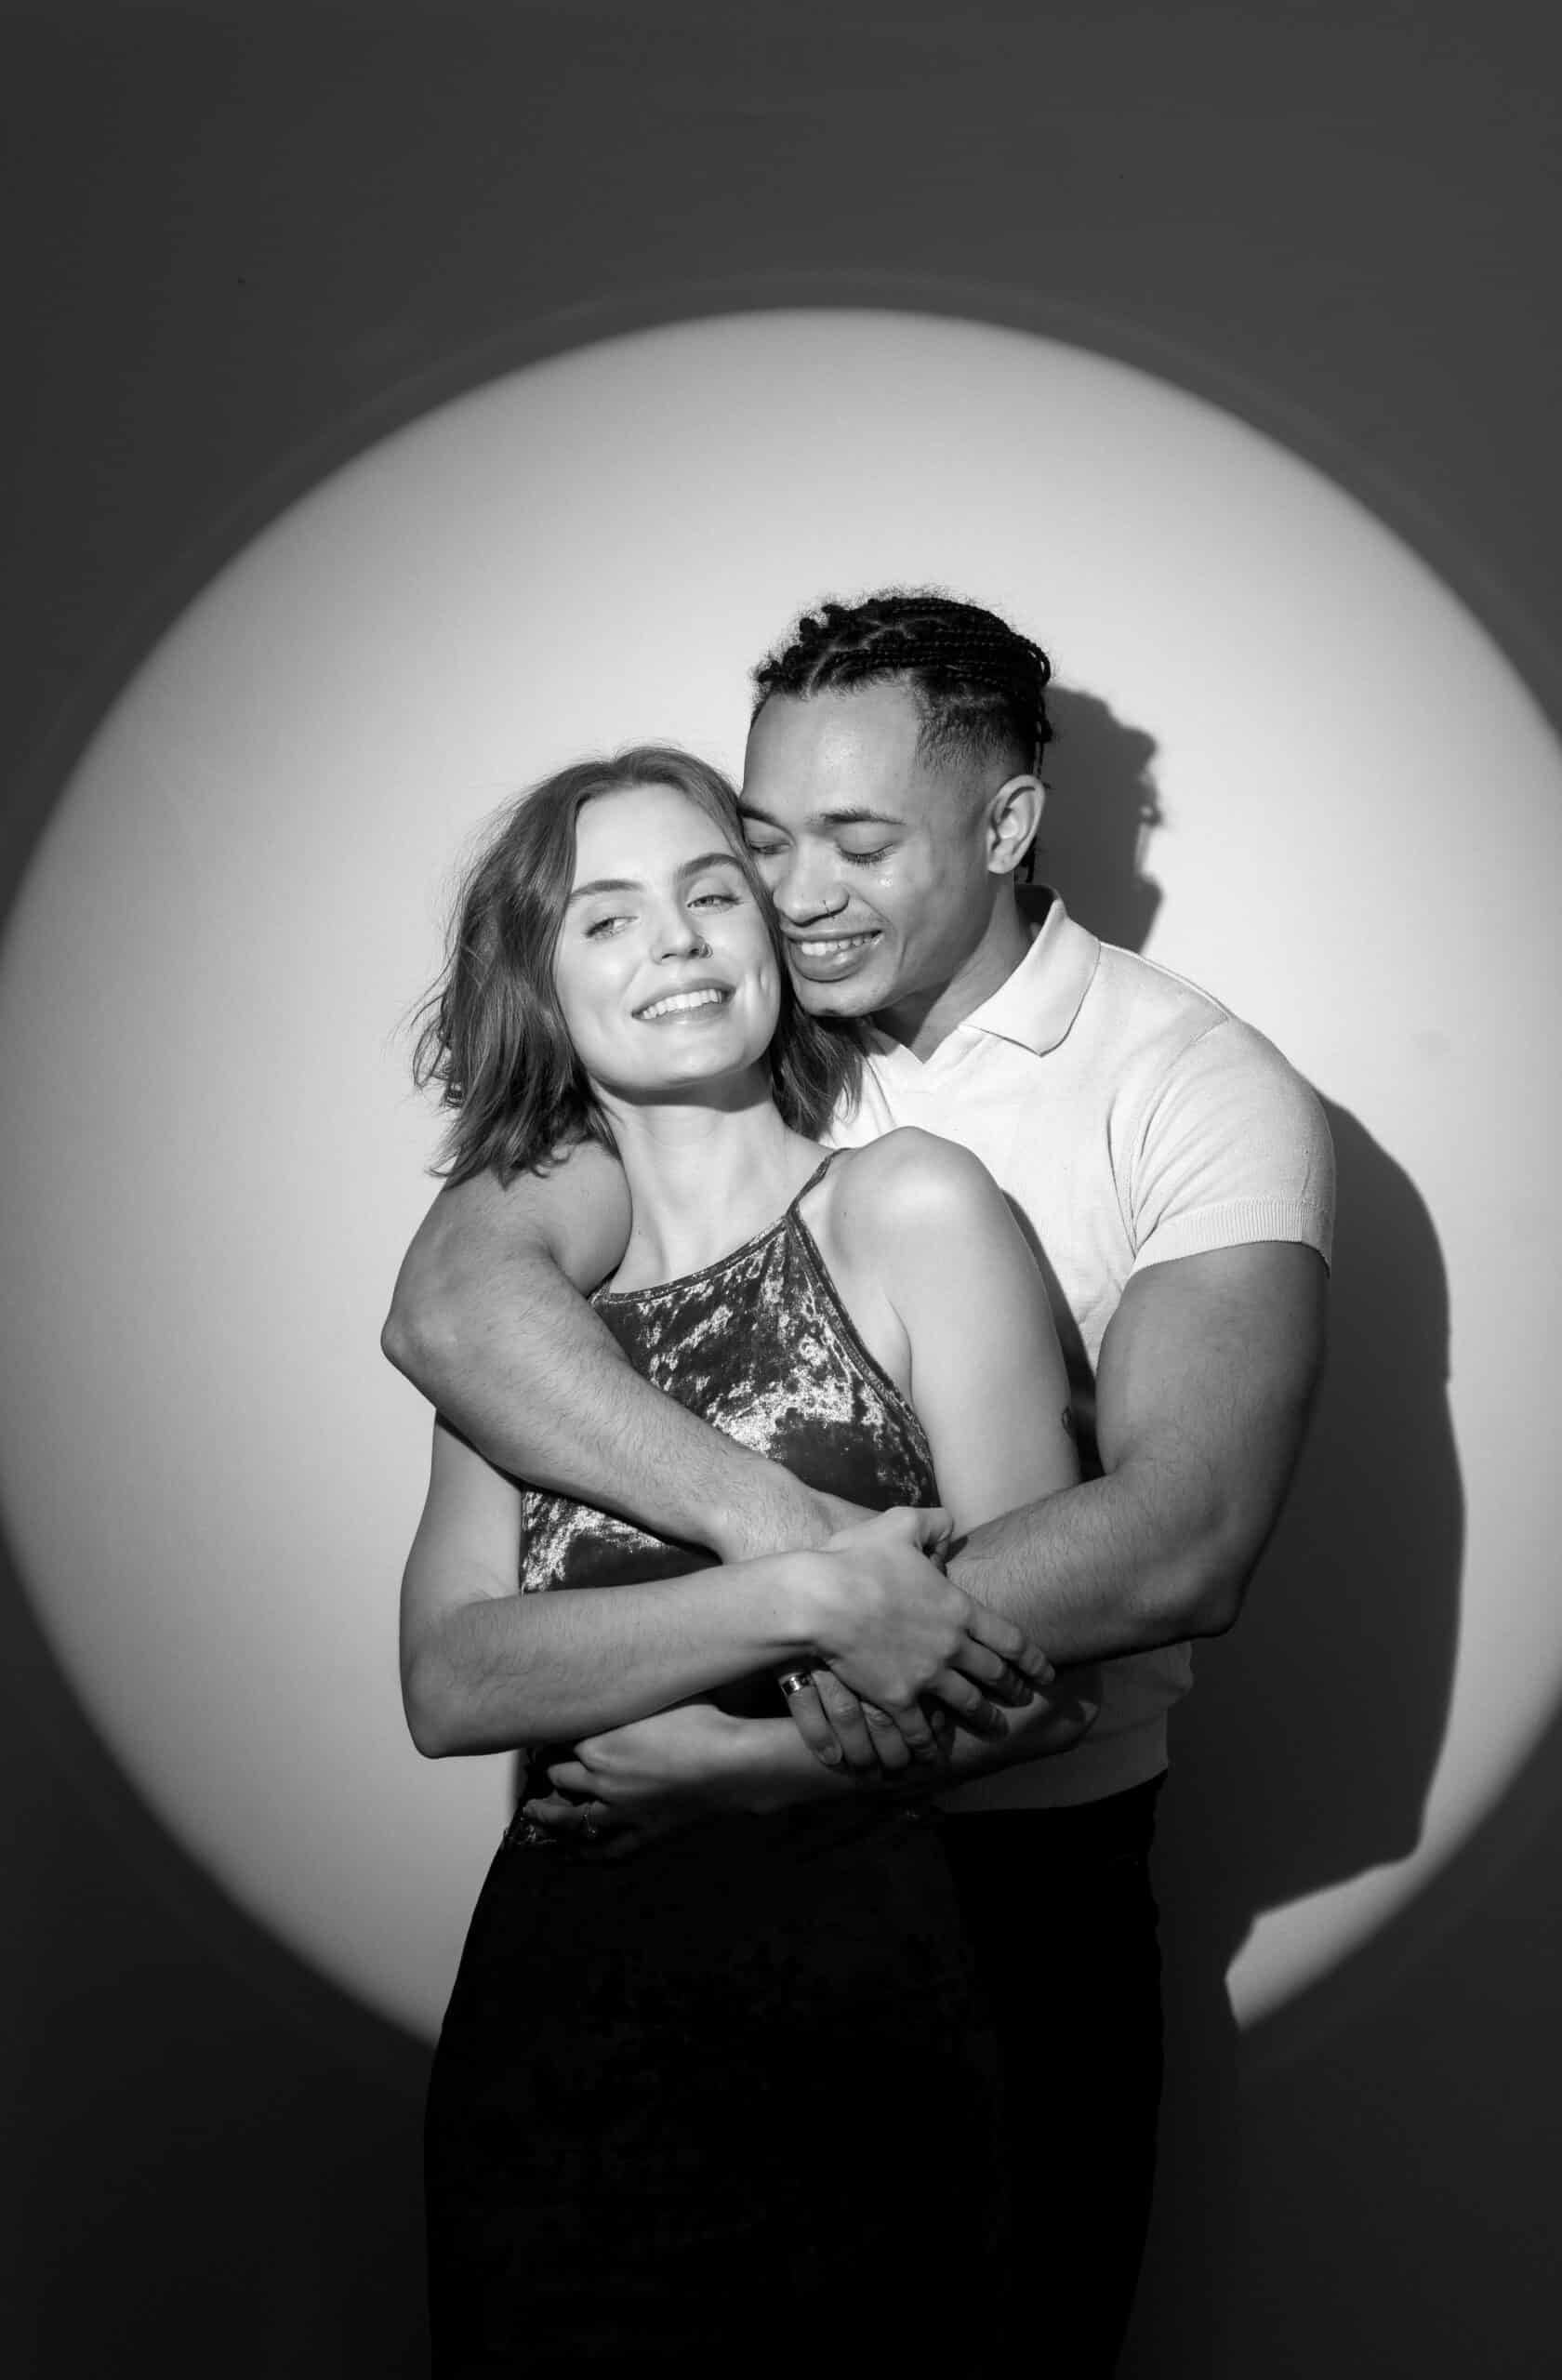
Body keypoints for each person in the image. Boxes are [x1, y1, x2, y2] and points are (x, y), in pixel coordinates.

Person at [386, 593, 1336, 2374]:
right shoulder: (696, 1071)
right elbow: (454, 1315)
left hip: (1004, 1893)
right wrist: (805, 1564)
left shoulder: (1183, 1087)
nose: (793, 895)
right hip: (603, 1941)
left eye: (856, 842)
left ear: (1007, 823)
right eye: (766, 841)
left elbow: (1182, 1541)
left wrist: (754, 1755)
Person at [401, 744, 1101, 2374]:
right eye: (607, 918)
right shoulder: (531, 1331)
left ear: (774, 938)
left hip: (866, 2016)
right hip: (557, 2036)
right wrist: (802, 1590)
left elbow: (1046, 1689)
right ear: (540, 988)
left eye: (714, 894)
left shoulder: (910, 1209)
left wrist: (744, 1772)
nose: (678, 941)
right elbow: (451, 1680)